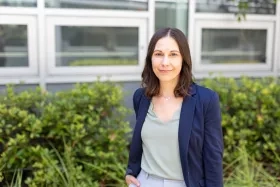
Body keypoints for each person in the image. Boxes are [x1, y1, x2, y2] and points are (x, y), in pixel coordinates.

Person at [125, 28, 224, 187]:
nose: (165, 62)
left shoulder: (206, 100)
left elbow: (213, 158)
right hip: (144, 181)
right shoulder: (141, 97)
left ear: (183, 59)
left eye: (173, 54)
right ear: (150, 58)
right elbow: (141, 143)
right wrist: (131, 171)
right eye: (158, 54)